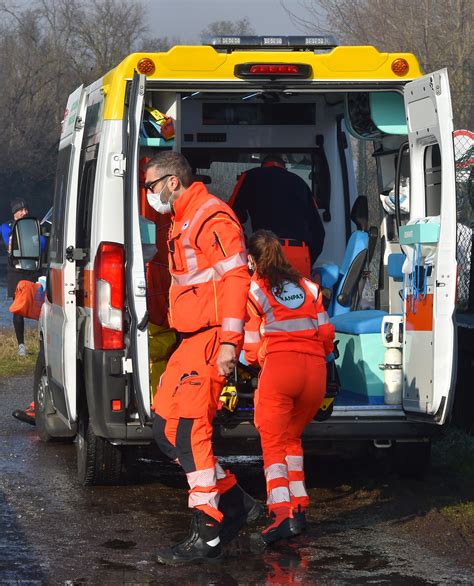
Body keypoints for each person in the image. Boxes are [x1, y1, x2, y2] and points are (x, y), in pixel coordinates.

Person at [145, 152, 262, 565]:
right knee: (164, 429)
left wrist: (231, 341)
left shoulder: (212, 216)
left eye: (151, 186)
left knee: (191, 435)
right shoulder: (183, 218)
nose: (149, 194)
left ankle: (208, 532)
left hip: (212, 338)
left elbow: (235, 276)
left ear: (173, 182)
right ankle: (236, 501)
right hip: (189, 341)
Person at [243, 230, 335, 546]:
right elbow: (326, 334)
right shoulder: (309, 287)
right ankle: (298, 509)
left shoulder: (255, 291)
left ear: (253, 259)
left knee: (272, 443)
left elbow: (252, 348)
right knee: (291, 440)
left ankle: (280, 514)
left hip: (281, 372)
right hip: (315, 374)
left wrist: (254, 358)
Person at [229, 155, 325, 277]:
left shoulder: (251, 176)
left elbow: (230, 215)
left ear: (263, 166)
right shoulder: (300, 183)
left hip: (266, 252)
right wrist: (308, 258)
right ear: (284, 168)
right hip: (298, 253)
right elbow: (318, 232)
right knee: (300, 295)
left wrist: (245, 244)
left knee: (262, 295)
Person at [1, 198, 39, 426]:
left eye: (26, 208)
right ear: (14, 213)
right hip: (16, 273)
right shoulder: (7, 227)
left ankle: (43, 340)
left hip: (33, 270)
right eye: (20, 210)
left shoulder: (34, 226)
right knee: (18, 310)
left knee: (41, 307)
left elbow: (41, 245)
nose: (24, 212)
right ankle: (21, 345)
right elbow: (7, 238)